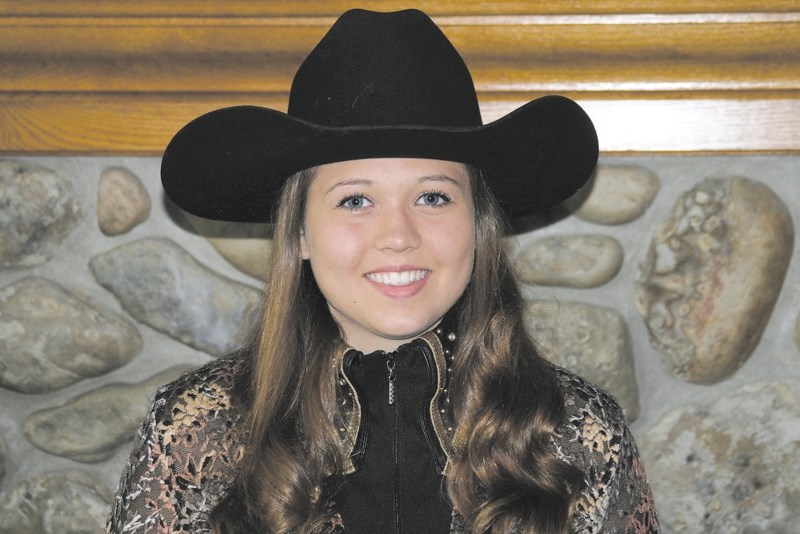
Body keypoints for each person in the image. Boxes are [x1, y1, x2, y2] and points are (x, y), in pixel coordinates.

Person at [106, 8, 658, 534]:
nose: (398, 236)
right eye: (354, 201)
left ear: (478, 226)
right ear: (298, 232)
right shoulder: (198, 429)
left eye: (434, 198)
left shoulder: (577, 434)